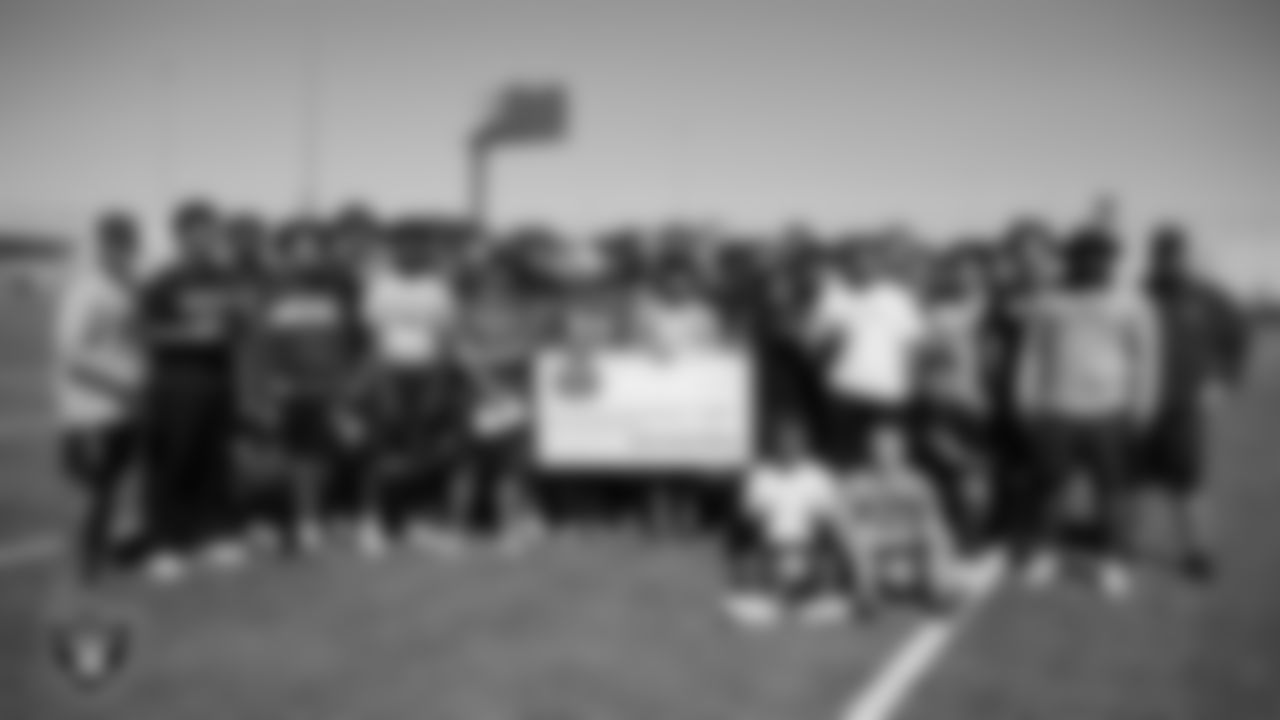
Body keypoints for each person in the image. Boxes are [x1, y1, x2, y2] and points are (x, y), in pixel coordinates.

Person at [1016, 228, 1160, 599]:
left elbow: (1146, 360)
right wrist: (1025, 399)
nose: (1094, 263)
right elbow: (1031, 355)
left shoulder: (1132, 303)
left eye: (1102, 256)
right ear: (1073, 259)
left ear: (1112, 261)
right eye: (1085, 255)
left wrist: (1142, 408)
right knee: (1049, 488)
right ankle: (1044, 553)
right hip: (1056, 409)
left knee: (1110, 492)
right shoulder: (1049, 301)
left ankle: (1111, 561)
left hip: (1110, 413)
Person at [138, 201, 249, 583]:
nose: (206, 238)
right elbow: (144, 332)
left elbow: (236, 326)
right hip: (176, 379)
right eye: (197, 231)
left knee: (214, 458)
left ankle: (212, 534)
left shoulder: (224, 277)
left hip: (217, 377)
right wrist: (190, 335)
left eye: (211, 231)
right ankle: (163, 544)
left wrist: (238, 321)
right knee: (173, 459)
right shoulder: (163, 280)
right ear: (180, 235)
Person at [241, 220, 363, 555]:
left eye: (313, 252)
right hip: (284, 392)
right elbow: (257, 349)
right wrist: (262, 395)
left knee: (318, 458)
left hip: (323, 391)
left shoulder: (335, 295)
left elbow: (343, 346)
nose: (307, 258)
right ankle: (267, 522)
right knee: (277, 460)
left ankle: (309, 521)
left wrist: (344, 391)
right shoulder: (268, 295)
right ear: (285, 256)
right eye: (299, 252)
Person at [1141, 224, 1249, 581]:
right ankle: (1117, 540)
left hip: (1183, 406)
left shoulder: (1209, 297)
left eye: (1176, 253)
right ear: (1154, 256)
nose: (1169, 260)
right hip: (1137, 402)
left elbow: (1238, 337)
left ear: (1187, 256)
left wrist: (1224, 380)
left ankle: (1197, 551)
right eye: (1162, 252)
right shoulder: (1139, 293)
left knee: (1187, 481)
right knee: (1131, 478)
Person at [354, 220, 464, 557]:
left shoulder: (439, 286)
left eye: (420, 244)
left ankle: (423, 523)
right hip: (389, 374)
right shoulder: (378, 284)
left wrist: (439, 383)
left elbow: (446, 339)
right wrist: (379, 382)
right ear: (395, 249)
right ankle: (374, 522)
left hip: (428, 374)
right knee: (383, 452)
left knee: (429, 452)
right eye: (406, 244)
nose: (413, 250)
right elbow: (373, 340)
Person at [54, 212, 145, 583]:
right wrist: (120, 387)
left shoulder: (126, 289)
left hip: (123, 410)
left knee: (113, 485)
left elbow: (128, 343)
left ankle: (101, 552)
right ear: (102, 245)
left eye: (129, 243)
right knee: (94, 488)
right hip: (90, 412)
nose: (123, 251)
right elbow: (71, 356)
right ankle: (87, 564)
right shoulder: (85, 291)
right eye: (115, 243)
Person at [808, 238, 928, 468]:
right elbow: (813, 347)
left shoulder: (897, 298)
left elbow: (915, 348)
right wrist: (829, 339)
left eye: (869, 260)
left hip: (888, 396)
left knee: (887, 463)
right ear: (848, 265)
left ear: (878, 265)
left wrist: (912, 390)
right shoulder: (834, 297)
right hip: (844, 394)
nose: (862, 266)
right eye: (856, 261)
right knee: (845, 463)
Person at [726, 423, 846, 629]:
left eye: (795, 443)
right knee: (746, 578)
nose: (789, 448)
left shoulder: (818, 477)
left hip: (809, 549)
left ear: (804, 446)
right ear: (776, 446)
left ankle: (803, 602)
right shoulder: (761, 477)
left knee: (830, 574)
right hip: (770, 550)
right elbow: (750, 522)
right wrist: (764, 535)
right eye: (784, 443)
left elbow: (828, 522)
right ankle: (778, 603)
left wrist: (812, 545)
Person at [916, 245, 993, 551]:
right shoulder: (938, 312)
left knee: (974, 474)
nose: (964, 279)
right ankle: (947, 536)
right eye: (959, 273)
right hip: (940, 402)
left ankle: (973, 537)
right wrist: (933, 352)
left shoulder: (992, 309)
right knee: (942, 472)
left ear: (981, 277)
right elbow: (921, 357)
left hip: (977, 405)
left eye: (971, 274)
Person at [834, 427, 958, 615]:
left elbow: (932, 515)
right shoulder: (857, 482)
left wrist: (921, 528)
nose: (884, 454)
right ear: (870, 452)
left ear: (901, 452)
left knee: (936, 531)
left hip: (907, 534)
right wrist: (853, 530)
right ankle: (866, 594)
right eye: (879, 449)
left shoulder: (918, 482)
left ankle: (939, 590)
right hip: (876, 535)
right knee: (859, 535)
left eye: (890, 449)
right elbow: (842, 517)